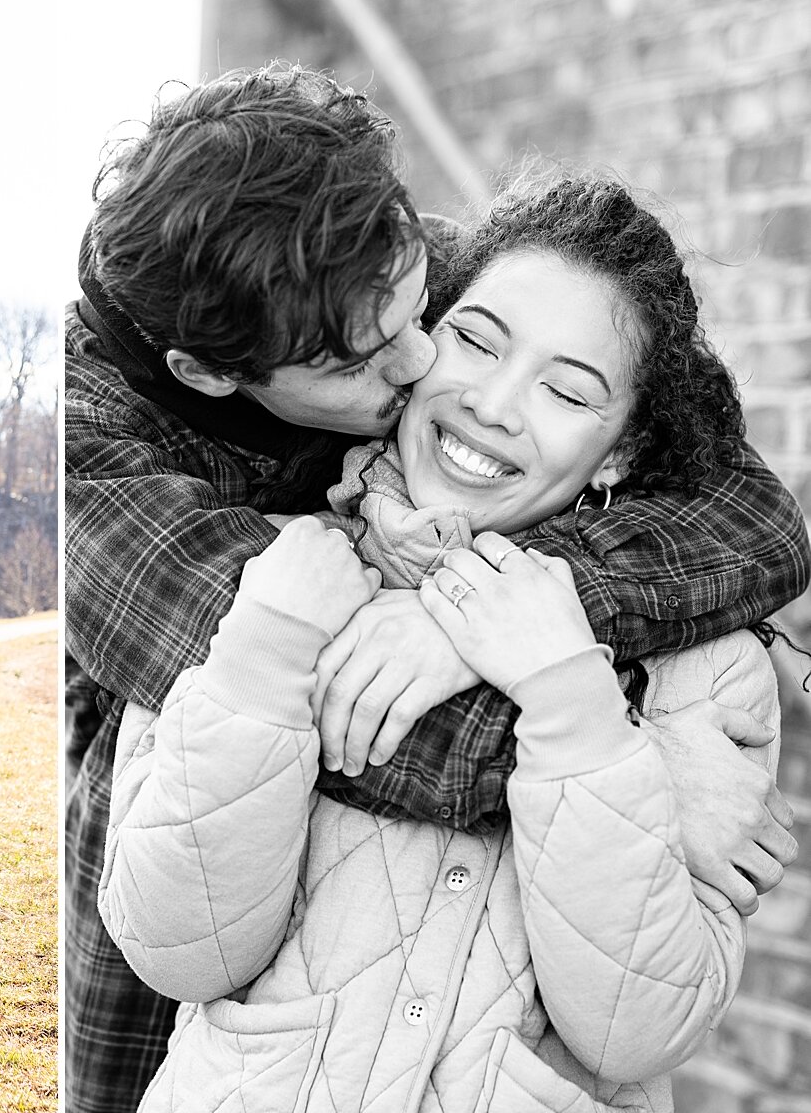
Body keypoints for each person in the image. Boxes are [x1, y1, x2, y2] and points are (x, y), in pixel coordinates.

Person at [64, 65, 809, 1113]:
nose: (424, 363)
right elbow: (289, 697)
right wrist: (633, 758)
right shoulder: (85, 459)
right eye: (368, 358)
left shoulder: (387, 267)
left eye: (431, 311)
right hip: (157, 1015)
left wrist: (497, 620)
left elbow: (759, 516)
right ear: (209, 373)